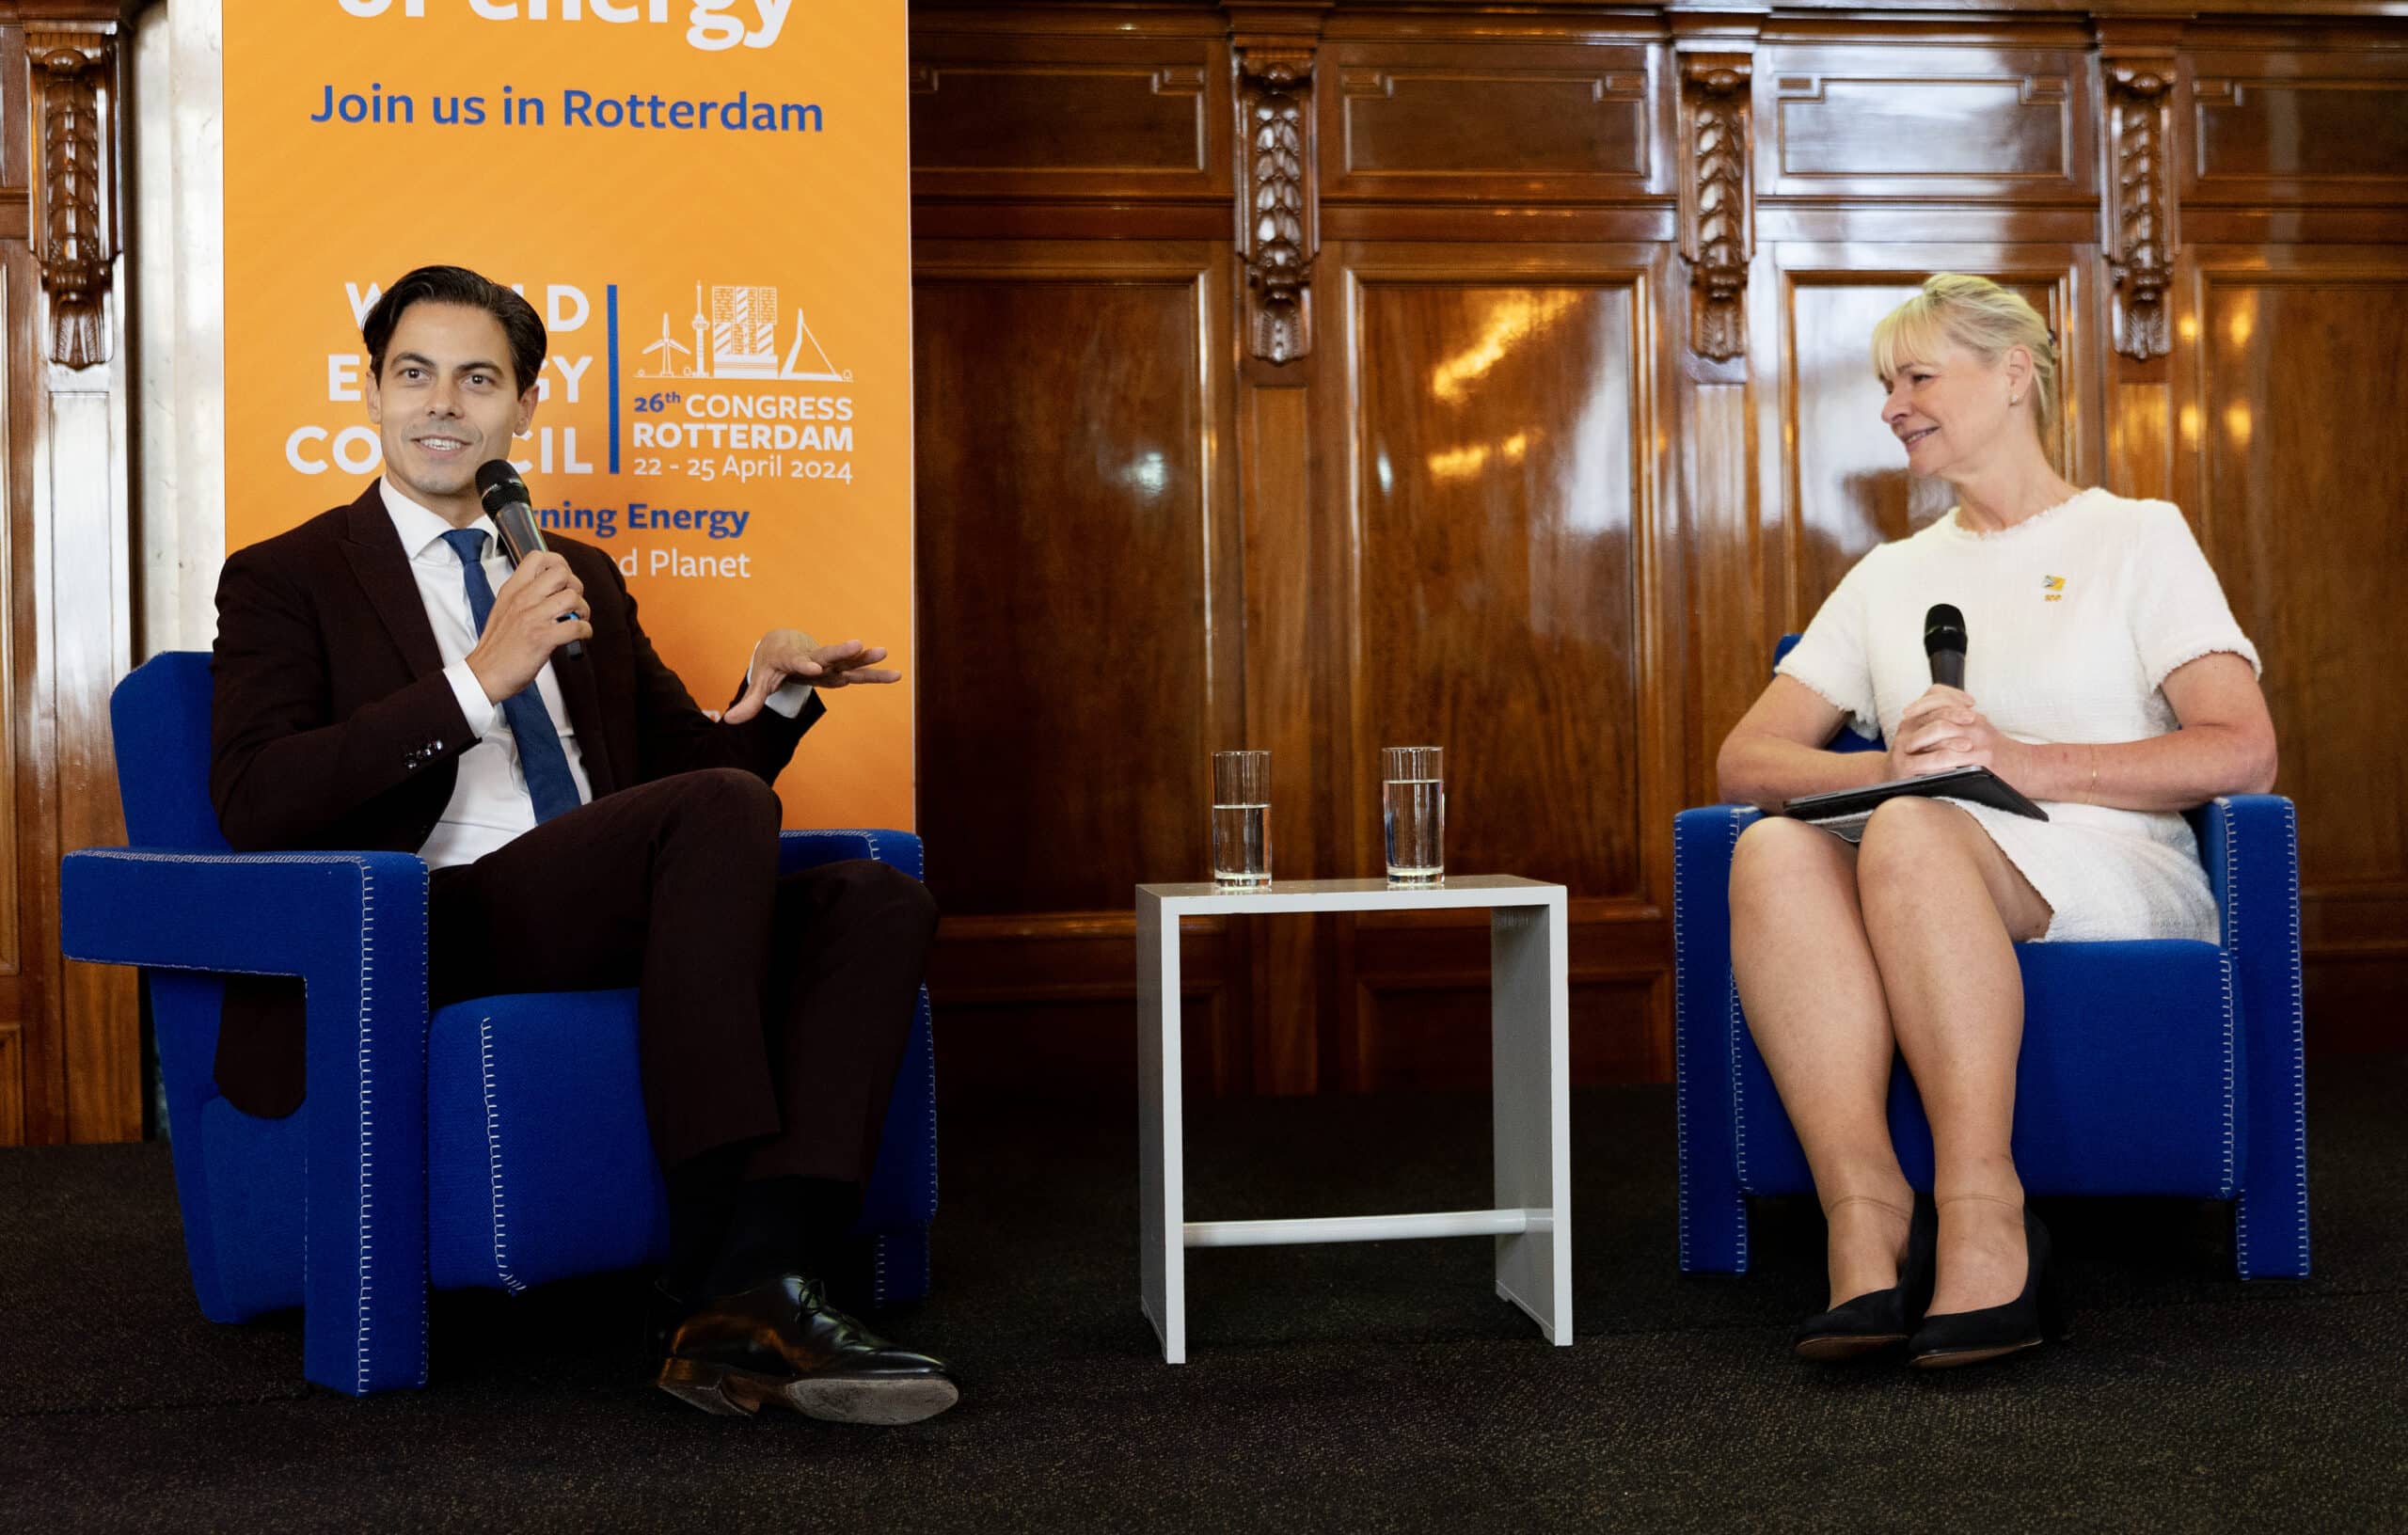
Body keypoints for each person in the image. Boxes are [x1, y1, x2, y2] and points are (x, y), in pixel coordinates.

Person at [209, 264, 957, 1424]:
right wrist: (477, 680)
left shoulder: (575, 571)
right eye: (414, 375)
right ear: (371, 394)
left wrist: (775, 697)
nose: (441, 404)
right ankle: (716, 1279)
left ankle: (762, 1278)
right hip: (425, 920)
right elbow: (256, 799)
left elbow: (692, 778)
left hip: (600, 896)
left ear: (524, 407)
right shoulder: (285, 577)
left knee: (875, 898)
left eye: (477, 380)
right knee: (715, 819)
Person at [1715, 274, 2277, 1369]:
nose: (1893, 406)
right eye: (1886, 384)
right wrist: (1892, 762)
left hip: (2109, 859)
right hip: (1926, 851)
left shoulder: (2136, 536)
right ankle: (1867, 1218)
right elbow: (1747, 759)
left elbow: (2240, 748)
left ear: (2014, 374)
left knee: (1912, 829)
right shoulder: (1887, 576)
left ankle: (1986, 1215)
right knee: (1774, 849)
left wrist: (2015, 760)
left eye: (1917, 377)